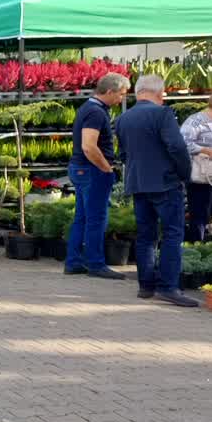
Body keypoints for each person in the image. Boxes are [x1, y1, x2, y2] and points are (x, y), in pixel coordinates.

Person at [117, 74, 196, 306]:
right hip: (165, 183)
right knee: (172, 234)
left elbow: (123, 154)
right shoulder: (162, 114)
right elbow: (177, 147)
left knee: (146, 235)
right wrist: (184, 174)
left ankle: (146, 286)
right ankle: (168, 287)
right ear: (159, 93)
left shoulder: (123, 118)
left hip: (138, 183)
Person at [64, 72, 131, 278]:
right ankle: (95, 264)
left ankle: (74, 261)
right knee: (96, 218)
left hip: (82, 169)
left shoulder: (87, 107)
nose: (122, 99)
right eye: (120, 94)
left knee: (82, 218)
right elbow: (88, 146)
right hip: (92, 170)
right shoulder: (96, 112)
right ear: (109, 91)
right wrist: (106, 168)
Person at [181, 89, 212, 242]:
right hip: (201, 178)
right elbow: (182, 144)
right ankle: (196, 248)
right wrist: (207, 151)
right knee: (199, 215)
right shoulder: (196, 121)